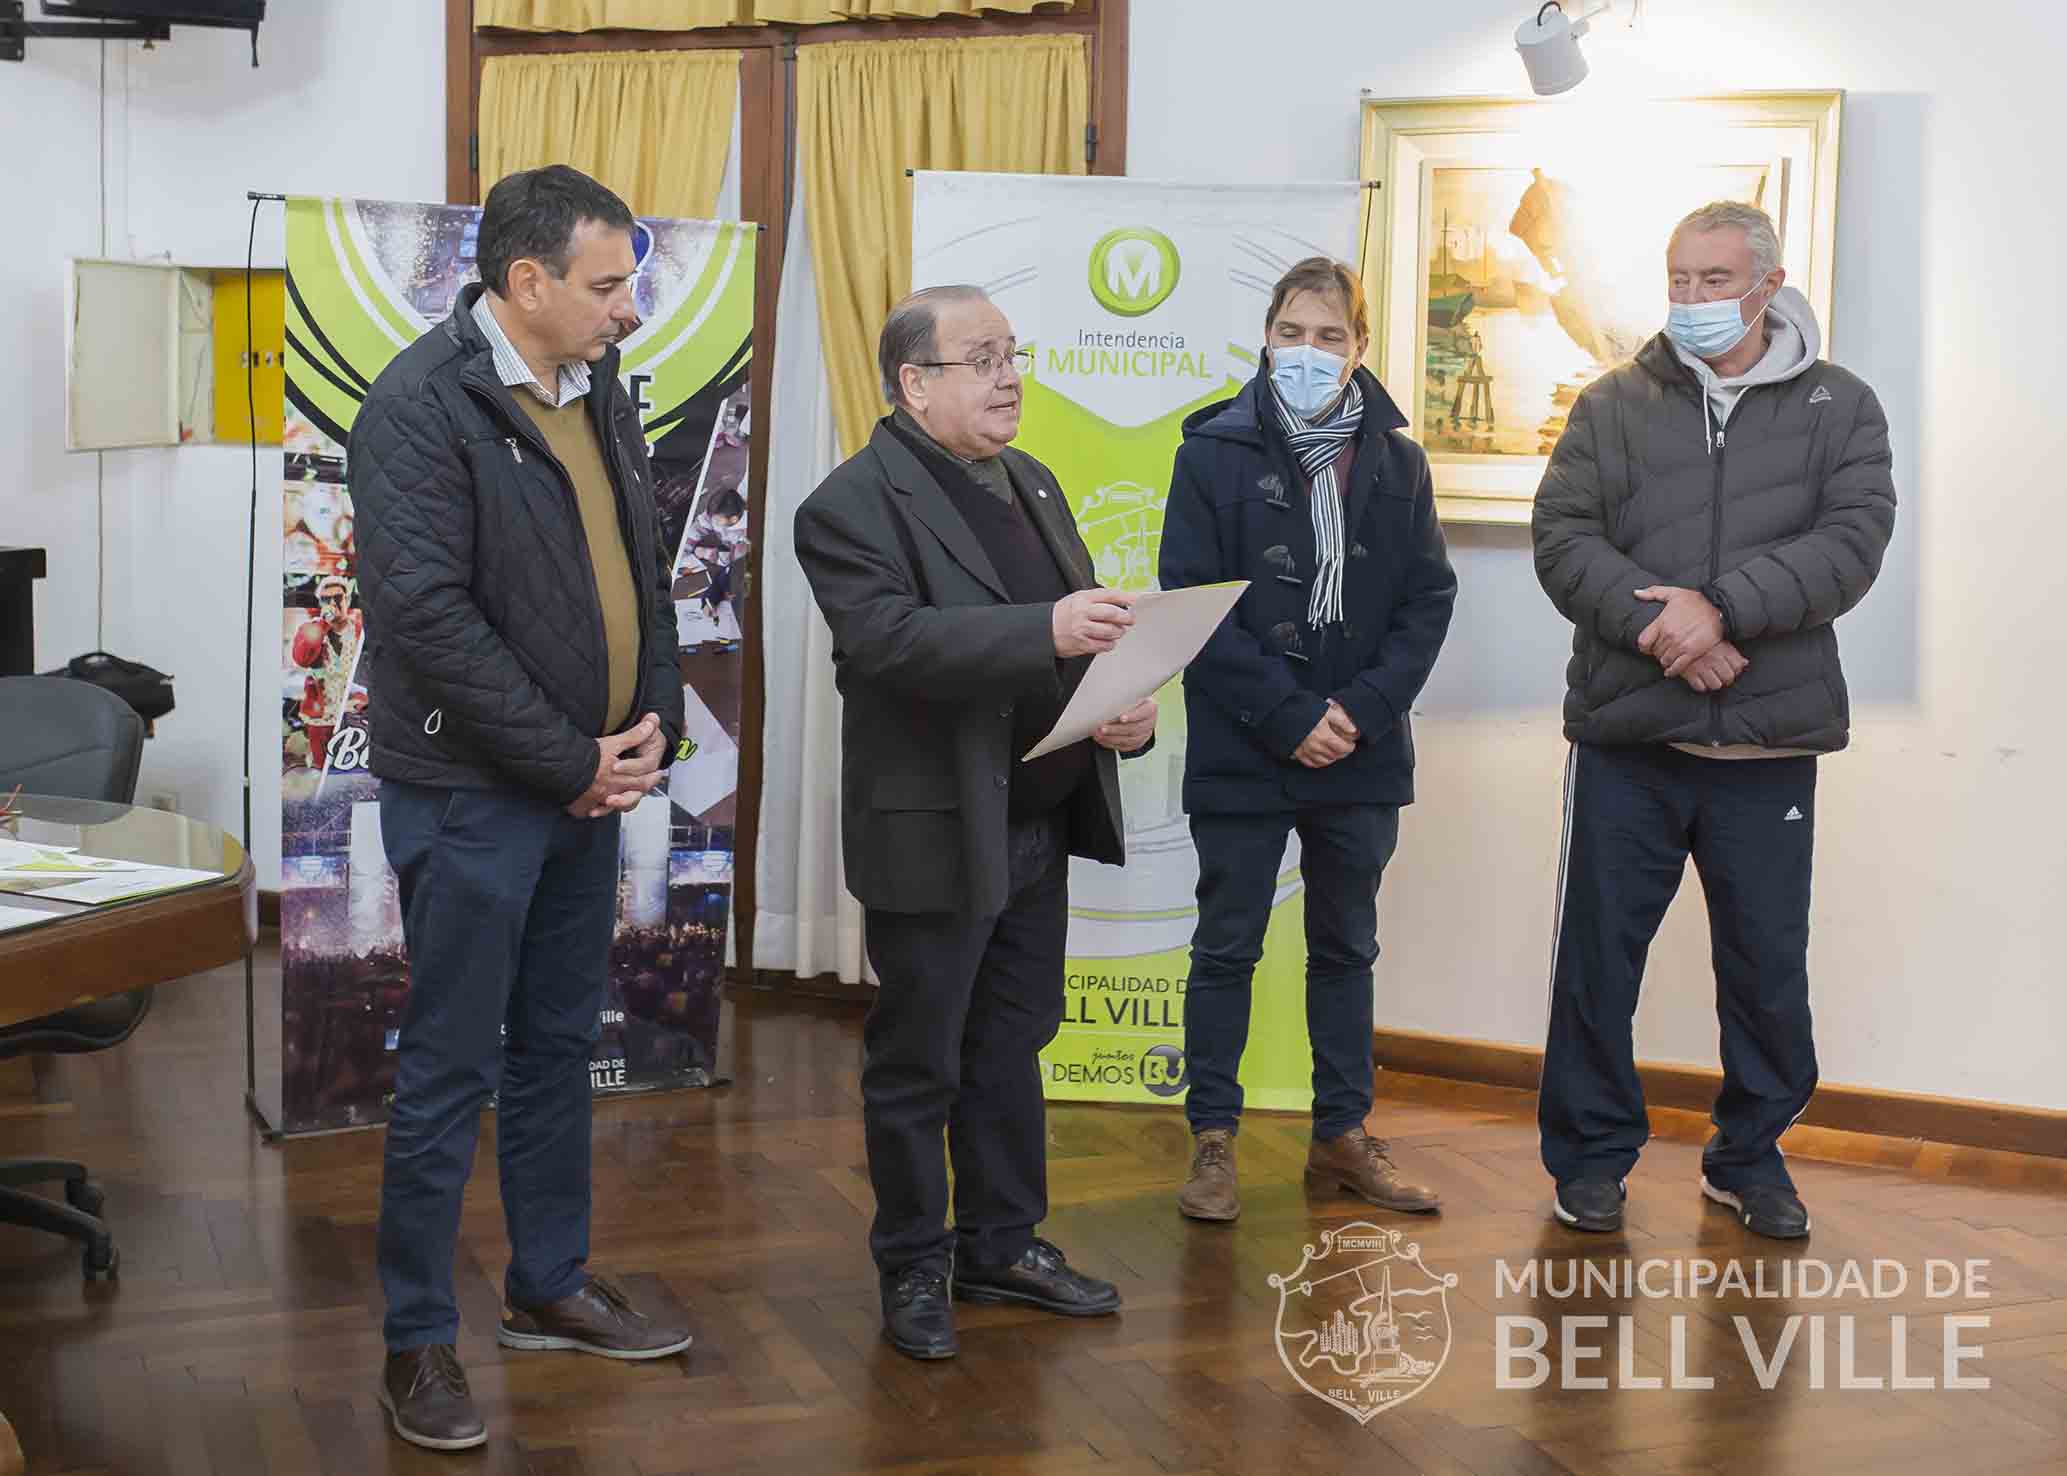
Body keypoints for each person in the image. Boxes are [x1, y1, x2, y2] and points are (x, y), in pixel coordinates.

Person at [349, 164, 693, 1452]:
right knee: (448, 1068)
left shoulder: (597, 383)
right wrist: (567, 760)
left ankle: (548, 1285)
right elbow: (426, 619)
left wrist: (652, 716)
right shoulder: (417, 404)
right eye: (607, 286)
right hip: (474, 794)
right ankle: (416, 1343)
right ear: (527, 279)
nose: (627, 308)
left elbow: (641, 569)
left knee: (556, 1045)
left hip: (586, 785)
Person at [793, 284, 1157, 1361]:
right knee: (921, 1061)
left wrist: (1118, 709)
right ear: (914, 383)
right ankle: (914, 1262)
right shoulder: (849, 504)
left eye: (1013, 354)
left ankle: (1002, 1244)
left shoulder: (1031, 479)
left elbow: (1076, 641)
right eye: (983, 359)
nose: (1009, 379)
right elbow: (889, 643)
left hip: (1037, 818)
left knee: (1011, 1043)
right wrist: (1048, 629)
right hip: (935, 828)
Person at [1531, 200, 1896, 1240]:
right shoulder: (1612, 403)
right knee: (1599, 962)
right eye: (1679, 279)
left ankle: (1749, 1158)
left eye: (1715, 279)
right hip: (1628, 741)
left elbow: (1852, 543)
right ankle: (1590, 1159)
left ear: (1768, 286)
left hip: (1767, 747)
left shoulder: (1840, 406)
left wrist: (1722, 609)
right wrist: (1672, 632)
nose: (1691, 298)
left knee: (1765, 966)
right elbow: (1562, 537)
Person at [1158, 257, 1457, 1224]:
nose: (1307, 350)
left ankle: (1341, 1136)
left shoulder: (1400, 463)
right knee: (1226, 947)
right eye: (1291, 332)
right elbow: (1191, 604)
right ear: (1265, 336)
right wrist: (1288, 717)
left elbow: (1426, 602)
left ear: (1359, 348)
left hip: (1360, 750)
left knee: (1345, 948)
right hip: (1244, 744)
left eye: (1329, 336)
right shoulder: (1208, 451)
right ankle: (1213, 1138)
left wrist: (1358, 712)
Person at [290, 573, 362, 771]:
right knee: (321, 770)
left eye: (337, 598)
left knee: (352, 774)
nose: (332, 603)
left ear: (347, 600)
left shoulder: (360, 630)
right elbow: (302, 659)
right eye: (325, 599)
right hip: (321, 719)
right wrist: (323, 625)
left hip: (353, 715)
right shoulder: (311, 629)